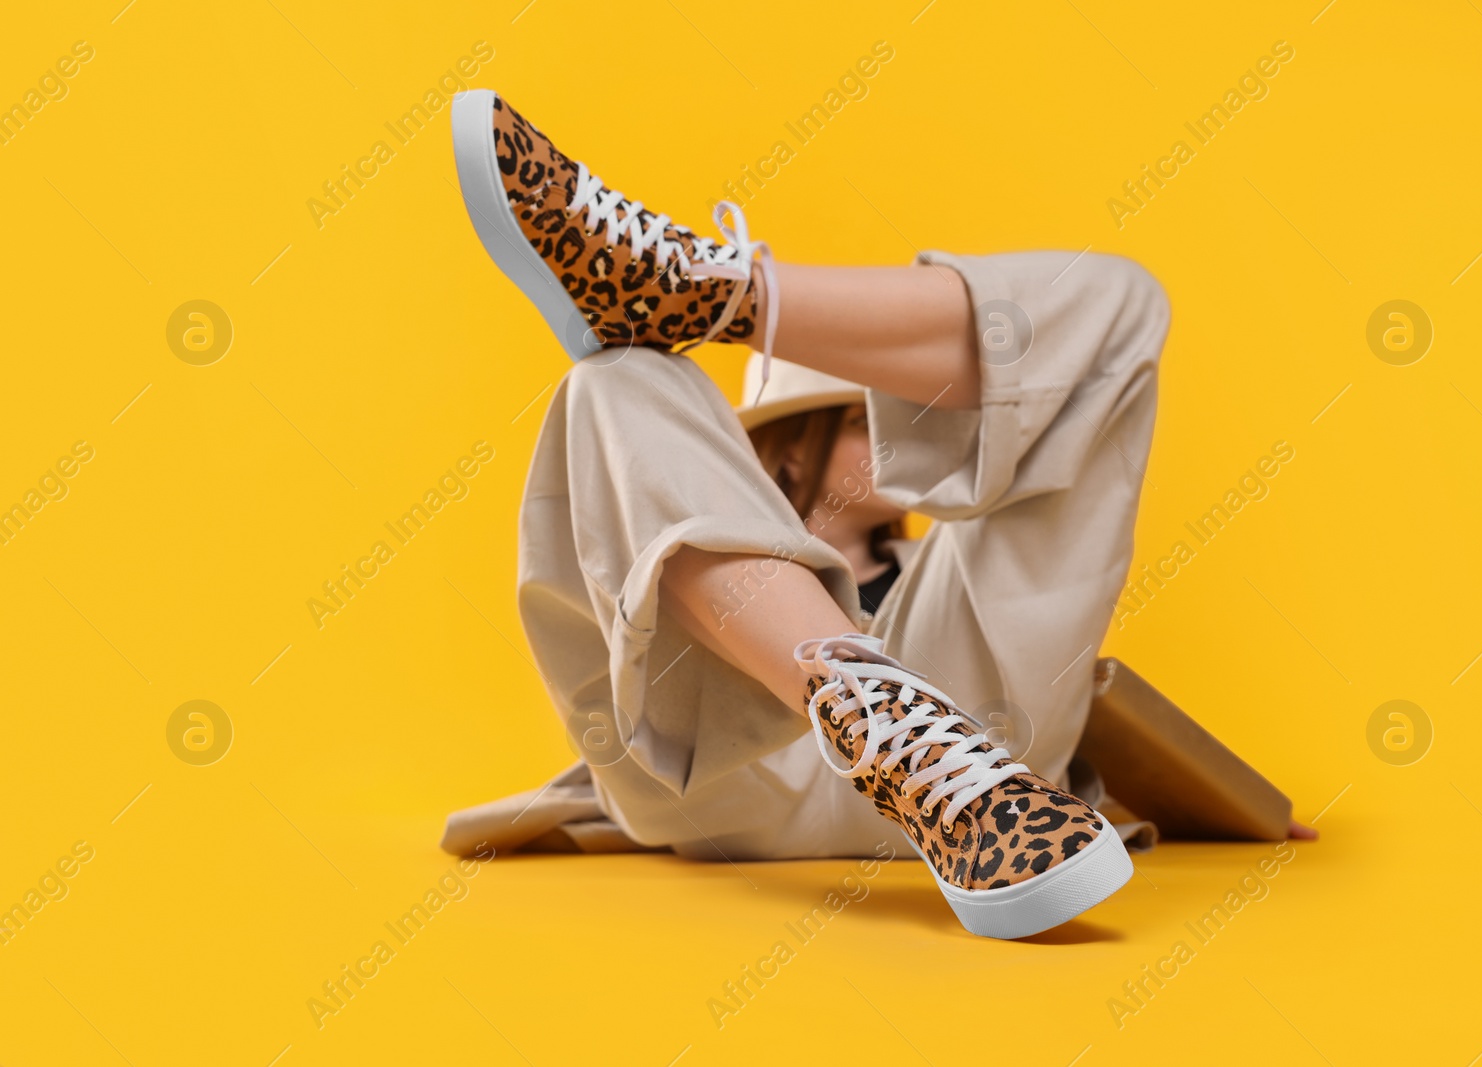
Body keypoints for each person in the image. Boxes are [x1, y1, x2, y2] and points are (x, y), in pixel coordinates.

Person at [439, 89, 1258, 939]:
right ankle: (870, 710)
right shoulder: (678, 500)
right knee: (610, 381)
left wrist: (1234, 803)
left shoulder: (951, 579)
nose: (908, 425)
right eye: (869, 415)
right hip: (726, 777)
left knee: (1120, 301)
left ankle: (713, 293)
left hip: (981, 778)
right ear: (794, 447)